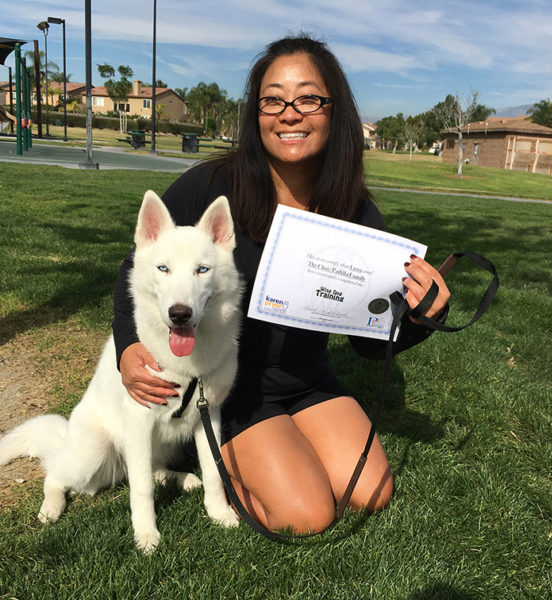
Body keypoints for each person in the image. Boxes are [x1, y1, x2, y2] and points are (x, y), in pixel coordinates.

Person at [112, 34, 450, 534]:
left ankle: (284, 441)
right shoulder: (210, 186)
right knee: (306, 514)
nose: (289, 112)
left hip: (309, 381)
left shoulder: (355, 212)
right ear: (257, 113)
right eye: (273, 99)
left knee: (370, 492)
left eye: (308, 97)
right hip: (229, 389)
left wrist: (422, 316)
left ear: (333, 110)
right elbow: (135, 268)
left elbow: (366, 341)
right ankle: (211, 449)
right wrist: (127, 348)